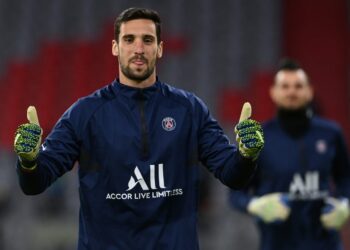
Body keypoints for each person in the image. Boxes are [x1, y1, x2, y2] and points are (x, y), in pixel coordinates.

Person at [13, 7, 264, 250]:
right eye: (129, 39)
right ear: (115, 47)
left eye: (147, 39)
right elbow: (34, 183)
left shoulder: (189, 110)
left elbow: (232, 175)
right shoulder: (85, 113)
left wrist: (246, 156)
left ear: (160, 48)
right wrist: (28, 161)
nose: (139, 48)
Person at [229, 59, 350, 250]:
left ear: (309, 91)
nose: (291, 91)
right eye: (285, 86)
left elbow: (345, 177)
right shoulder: (260, 137)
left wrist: (346, 204)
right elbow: (235, 192)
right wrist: (254, 205)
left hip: (326, 244)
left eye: (298, 86)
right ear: (273, 92)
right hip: (276, 244)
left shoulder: (331, 133)